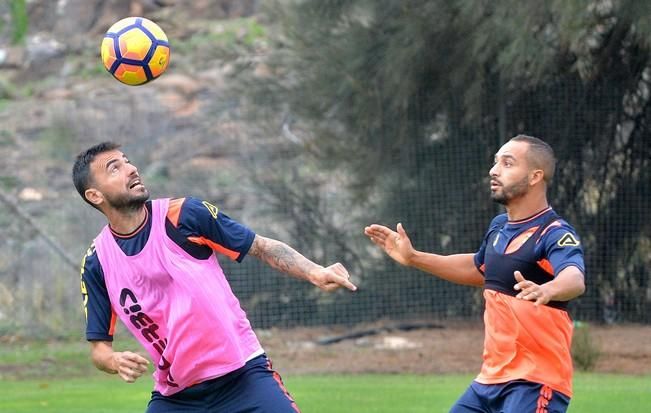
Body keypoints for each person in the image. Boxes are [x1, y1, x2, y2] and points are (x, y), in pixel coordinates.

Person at [73, 141, 357, 413]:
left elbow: (260, 246)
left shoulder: (183, 215)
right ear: (95, 195)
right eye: (114, 168)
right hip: (176, 398)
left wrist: (314, 271)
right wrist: (112, 360)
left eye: (127, 161)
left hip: (244, 377)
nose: (131, 169)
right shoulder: (97, 262)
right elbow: (99, 349)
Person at [365, 135, 585, 413]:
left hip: (535, 383)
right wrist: (414, 258)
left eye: (507, 163)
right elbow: (478, 268)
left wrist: (548, 289)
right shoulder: (499, 227)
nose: (494, 170)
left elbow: (574, 278)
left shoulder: (554, 233)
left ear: (535, 176)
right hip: (488, 381)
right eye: (495, 162)